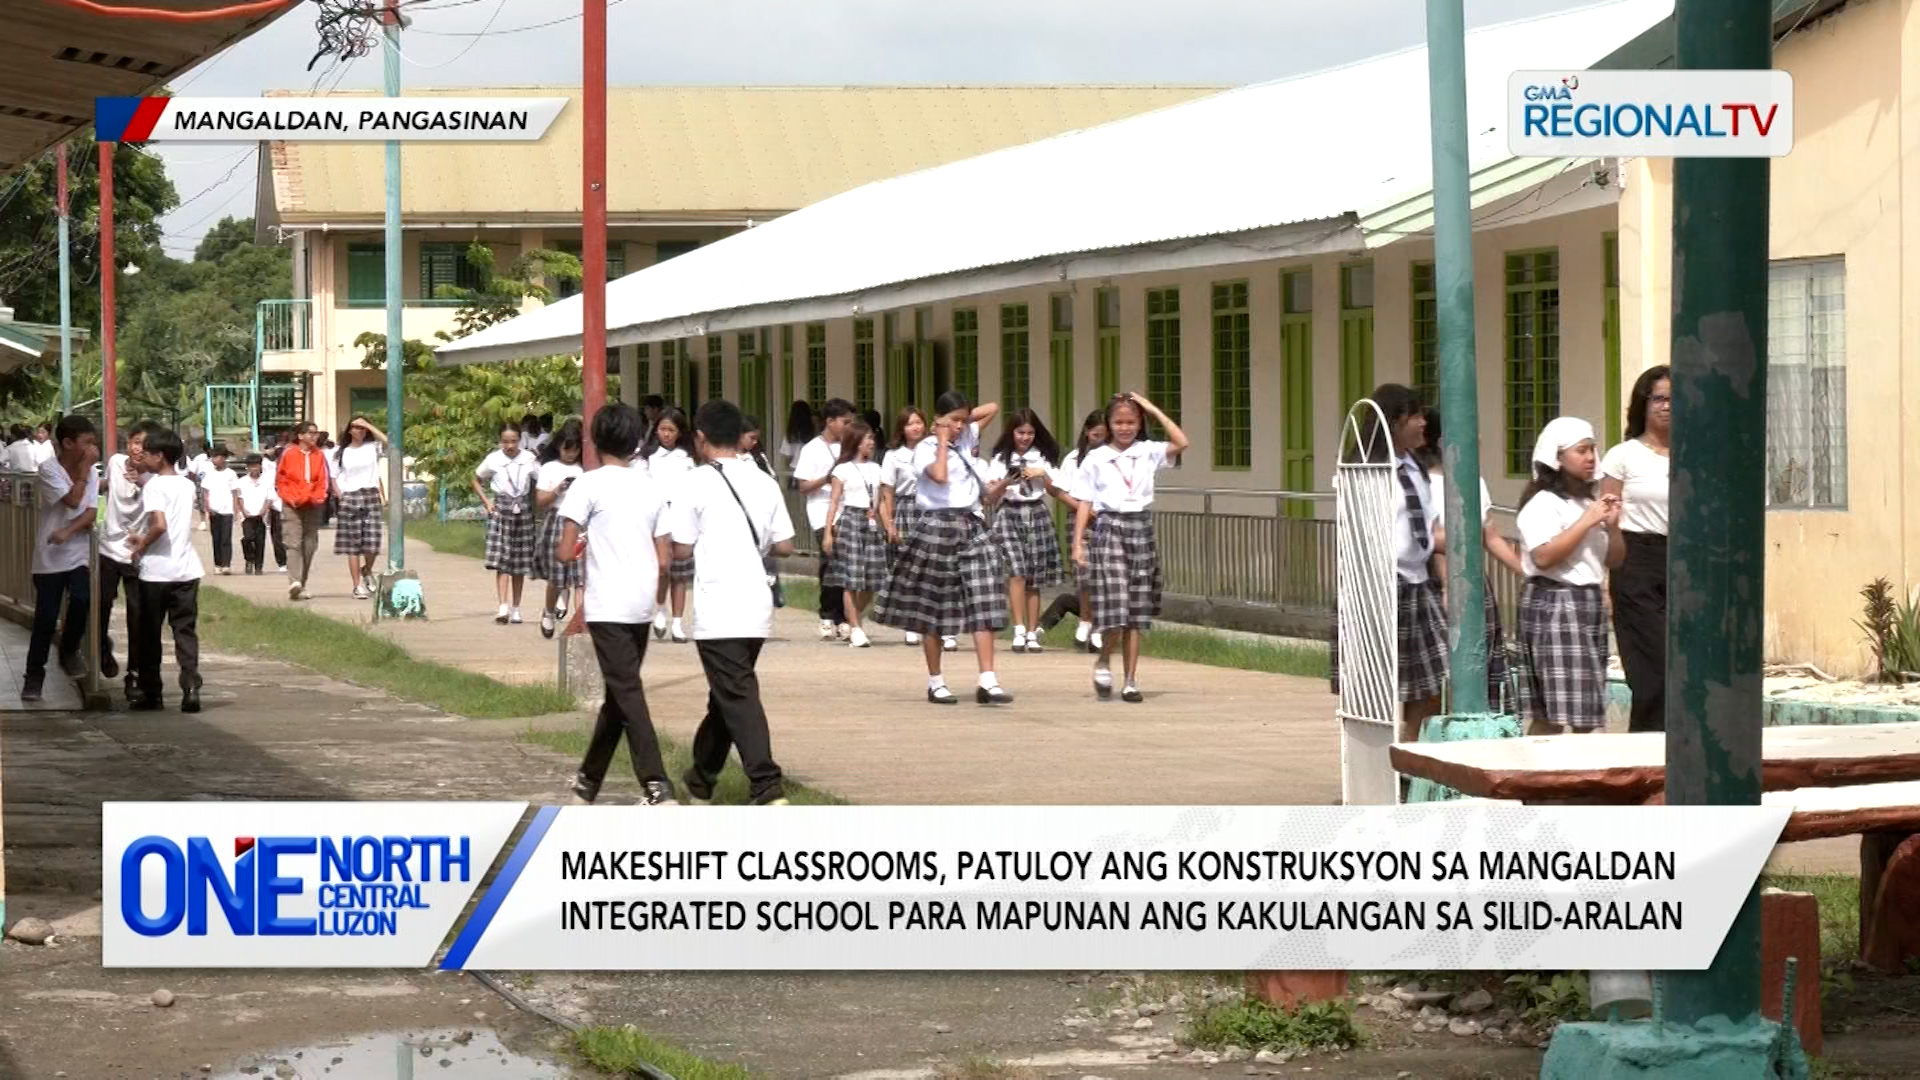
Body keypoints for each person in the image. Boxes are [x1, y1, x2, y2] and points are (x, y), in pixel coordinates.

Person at [670, 399, 797, 806]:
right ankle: (701, 779)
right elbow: (786, 545)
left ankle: (765, 783)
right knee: (725, 696)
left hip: (719, 604)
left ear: (701, 438)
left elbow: (681, 549)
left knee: (737, 694)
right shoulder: (763, 479)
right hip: (756, 604)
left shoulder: (695, 482)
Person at [557, 402, 676, 806]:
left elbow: (564, 550)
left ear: (595, 439)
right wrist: (659, 600)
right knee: (619, 694)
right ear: (635, 441)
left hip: (606, 602)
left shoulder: (587, 485)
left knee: (627, 691)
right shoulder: (651, 486)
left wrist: (586, 545)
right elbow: (664, 559)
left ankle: (656, 783)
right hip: (642, 601)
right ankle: (587, 783)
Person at [872, 390, 1013, 705]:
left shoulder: (965, 438)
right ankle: (935, 681)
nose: (961, 427)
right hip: (936, 526)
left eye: (964, 421)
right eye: (955, 421)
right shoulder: (924, 449)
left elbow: (993, 404)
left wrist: (960, 421)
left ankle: (988, 680)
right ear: (939, 420)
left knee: (985, 597)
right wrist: (940, 437)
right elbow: (939, 476)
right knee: (934, 607)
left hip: (972, 524)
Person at [1328, 384, 1448, 744]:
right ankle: (1376, 767)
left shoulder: (1417, 468)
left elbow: (1431, 528)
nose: (1424, 423)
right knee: (1373, 686)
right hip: (1378, 583)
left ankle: (1409, 761)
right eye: (1416, 416)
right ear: (1395, 421)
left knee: (1429, 684)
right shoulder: (1366, 468)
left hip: (1418, 583)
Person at [1070, 393, 1187, 702]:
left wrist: (1151, 407)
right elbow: (1084, 501)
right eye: (1118, 422)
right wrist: (1077, 542)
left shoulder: (1148, 451)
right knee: (1116, 605)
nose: (1124, 428)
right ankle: (1104, 658)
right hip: (1109, 527)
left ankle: (1131, 680)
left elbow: (1181, 442)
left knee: (1136, 610)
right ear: (1108, 424)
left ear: (1140, 423)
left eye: (1131, 422)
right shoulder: (1095, 457)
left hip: (1140, 527)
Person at [1515, 417, 1625, 736]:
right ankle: (1541, 780)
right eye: (1581, 451)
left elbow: (1614, 559)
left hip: (1587, 603)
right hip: (1556, 603)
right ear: (1558, 458)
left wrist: (1613, 527)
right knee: (1554, 712)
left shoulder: (1589, 504)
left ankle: (1573, 780)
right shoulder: (1544, 504)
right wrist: (1585, 523)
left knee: (1585, 707)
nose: (1591, 457)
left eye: (1592, 449)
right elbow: (1544, 556)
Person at [1419, 407, 1523, 712]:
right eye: (1468, 429)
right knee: (1442, 673)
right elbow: (1435, 539)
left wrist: (1525, 570)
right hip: (1439, 584)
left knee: (1484, 661)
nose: (1478, 437)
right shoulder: (1423, 483)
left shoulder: (1474, 480)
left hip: (1475, 580)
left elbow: (1489, 535)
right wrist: (1450, 585)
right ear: (1442, 441)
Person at [1602, 365, 1672, 733]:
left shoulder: (1694, 454)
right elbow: (1607, 516)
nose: (1666, 407)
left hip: (1682, 560)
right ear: (1643, 405)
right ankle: (1646, 751)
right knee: (1652, 670)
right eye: (1658, 398)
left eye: (1674, 399)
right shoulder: (1622, 456)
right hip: (1637, 560)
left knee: (1684, 667)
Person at [126, 427, 205, 714]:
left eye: (146, 453)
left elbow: (159, 525)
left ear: (159, 456)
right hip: (186, 570)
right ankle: (190, 686)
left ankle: (152, 692)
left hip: (157, 572)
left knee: (149, 634)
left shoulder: (155, 487)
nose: (142, 456)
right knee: (184, 631)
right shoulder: (186, 484)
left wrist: (140, 545)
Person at [20, 414, 99, 702]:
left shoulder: (91, 471)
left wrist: (69, 530)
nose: (92, 449)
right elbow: (73, 501)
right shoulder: (49, 469)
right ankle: (33, 676)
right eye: (87, 443)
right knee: (45, 618)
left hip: (77, 554)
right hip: (49, 557)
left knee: (82, 598)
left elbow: (90, 511)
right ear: (67, 443)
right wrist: (82, 472)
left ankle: (69, 649)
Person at [984, 408, 1070, 653]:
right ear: (1012, 432)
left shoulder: (1042, 456)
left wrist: (1043, 475)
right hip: (1009, 512)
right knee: (1017, 572)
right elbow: (990, 497)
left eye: (1030, 433)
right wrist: (1005, 481)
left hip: (1036, 512)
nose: (1025, 437)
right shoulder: (1000, 457)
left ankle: (1033, 631)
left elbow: (1056, 490)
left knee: (1033, 576)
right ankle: (1019, 628)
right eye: (1020, 432)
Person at [1040, 409, 1108, 653]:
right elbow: (1059, 490)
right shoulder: (1075, 459)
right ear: (1087, 433)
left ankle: (1099, 627)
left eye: (1103, 435)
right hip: (1080, 519)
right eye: (1094, 434)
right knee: (1085, 575)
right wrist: (1083, 510)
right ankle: (1086, 620)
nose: (1098, 440)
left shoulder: (1114, 458)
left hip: (1107, 521)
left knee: (1105, 576)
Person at [98, 423, 157, 692]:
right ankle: (101, 647)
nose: (138, 449)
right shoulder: (115, 463)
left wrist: (142, 480)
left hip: (138, 554)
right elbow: (103, 484)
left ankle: (134, 673)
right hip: (108, 549)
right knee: (100, 606)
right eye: (134, 442)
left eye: (144, 445)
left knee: (138, 616)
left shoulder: (157, 480)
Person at [822, 420, 887, 648]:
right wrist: (828, 533)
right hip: (849, 520)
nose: (872, 442)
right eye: (867, 438)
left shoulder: (877, 468)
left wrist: (887, 527)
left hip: (870, 523)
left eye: (872, 438)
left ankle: (852, 618)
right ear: (857, 442)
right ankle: (857, 628)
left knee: (872, 579)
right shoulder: (842, 470)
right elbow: (834, 502)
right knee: (852, 579)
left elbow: (881, 503)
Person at [794, 398, 854, 639]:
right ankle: (828, 614)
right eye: (845, 422)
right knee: (830, 559)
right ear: (830, 421)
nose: (848, 427)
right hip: (821, 509)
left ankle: (844, 616)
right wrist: (827, 478)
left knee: (847, 562)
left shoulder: (849, 447)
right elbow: (803, 486)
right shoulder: (811, 449)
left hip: (846, 506)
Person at [475, 422, 539, 625]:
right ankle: (502, 606)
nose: (510, 445)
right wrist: (487, 503)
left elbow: (541, 480)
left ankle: (517, 608)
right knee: (502, 561)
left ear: (520, 440)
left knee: (519, 563)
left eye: (513, 441)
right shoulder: (493, 459)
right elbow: (476, 479)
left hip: (523, 510)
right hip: (501, 509)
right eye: (505, 441)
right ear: (499, 441)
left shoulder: (529, 458)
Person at [876, 406, 929, 647]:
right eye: (910, 423)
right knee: (908, 570)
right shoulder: (893, 456)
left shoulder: (934, 451)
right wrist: (890, 524)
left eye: (919, 422)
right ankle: (911, 623)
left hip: (930, 509)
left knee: (933, 568)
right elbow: (887, 491)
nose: (916, 427)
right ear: (902, 429)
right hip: (906, 510)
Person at [643, 407, 696, 642]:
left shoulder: (687, 459)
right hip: (657, 517)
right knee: (662, 567)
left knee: (681, 574)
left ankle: (677, 621)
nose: (666, 434)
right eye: (662, 429)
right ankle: (660, 608)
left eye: (671, 430)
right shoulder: (648, 459)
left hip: (682, 516)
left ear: (679, 432)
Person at [532, 419, 586, 639]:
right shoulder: (549, 468)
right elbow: (541, 501)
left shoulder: (585, 468)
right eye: (567, 448)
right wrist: (558, 489)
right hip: (558, 519)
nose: (571, 454)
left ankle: (580, 620)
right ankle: (549, 611)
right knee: (557, 577)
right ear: (559, 446)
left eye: (575, 449)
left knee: (581, 578)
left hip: (580, 521)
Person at [331, 415, 388, 599]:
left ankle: (367, 569)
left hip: (370, 494)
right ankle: (356, 585)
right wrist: (341, 496)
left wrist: (370, 425)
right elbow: (333, 478)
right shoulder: (341, 452)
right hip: (351, 496)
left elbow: (390, 443)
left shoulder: (372, 447)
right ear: (349, 430)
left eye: (363, 428)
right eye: (356, 427)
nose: (360, 430)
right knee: (353, 545)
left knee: (372, 543)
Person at [275, 422, 330, 600]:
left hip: (312, 504)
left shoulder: (319, 455)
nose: (314, 436)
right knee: (293, 543)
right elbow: (281, 480)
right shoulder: (289, 454)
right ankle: (294, 581)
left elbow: (323, 480)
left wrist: (318, 497)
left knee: (309, 545)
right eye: (311, 433)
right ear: (300, 436)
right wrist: (290, 498)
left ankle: (302, 584)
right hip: (292, 504)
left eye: (316, 433)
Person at [741, 415, 786, 609]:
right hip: (740, 519)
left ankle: (772, 585)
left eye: (756, 438)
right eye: (751, 437)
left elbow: (772, 477)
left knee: (766, 559)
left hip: (759, 517)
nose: (754, 442)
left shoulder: (758, 457)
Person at [201, 445, 237, 576]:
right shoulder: (209, 473)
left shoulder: (231, 474)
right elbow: (205, 492)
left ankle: (226, 564)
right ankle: (218, 563)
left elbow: (234, 493)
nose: (215, 460)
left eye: (218, 457)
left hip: (227, 510)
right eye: (214, 457)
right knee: (216, 538)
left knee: (226, 538)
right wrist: (207, 507)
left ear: (224, 459)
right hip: (214, 509)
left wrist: (235, 509)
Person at [237, 454, 273, 575]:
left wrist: (264, 510)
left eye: (256, 466)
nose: (254, 469)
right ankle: (249, 559)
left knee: (260, 541)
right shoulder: (242, 481)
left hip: (260, 516)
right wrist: (243, 511)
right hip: (247, 516)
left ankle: (258, 566)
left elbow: (269, 498)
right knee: (247, 538)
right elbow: (239, 498)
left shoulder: (266, 481)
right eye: (251, 466)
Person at [262, 441, 287, 572]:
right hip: (276, 506)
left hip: (291, 505)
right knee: (277, 536)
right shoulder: (269, 469)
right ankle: (282, 562)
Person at [780, 399, 815, 482]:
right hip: (811, 470)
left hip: (794, 469)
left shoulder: (790, 434)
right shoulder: (814, 433)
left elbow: (787, 455)